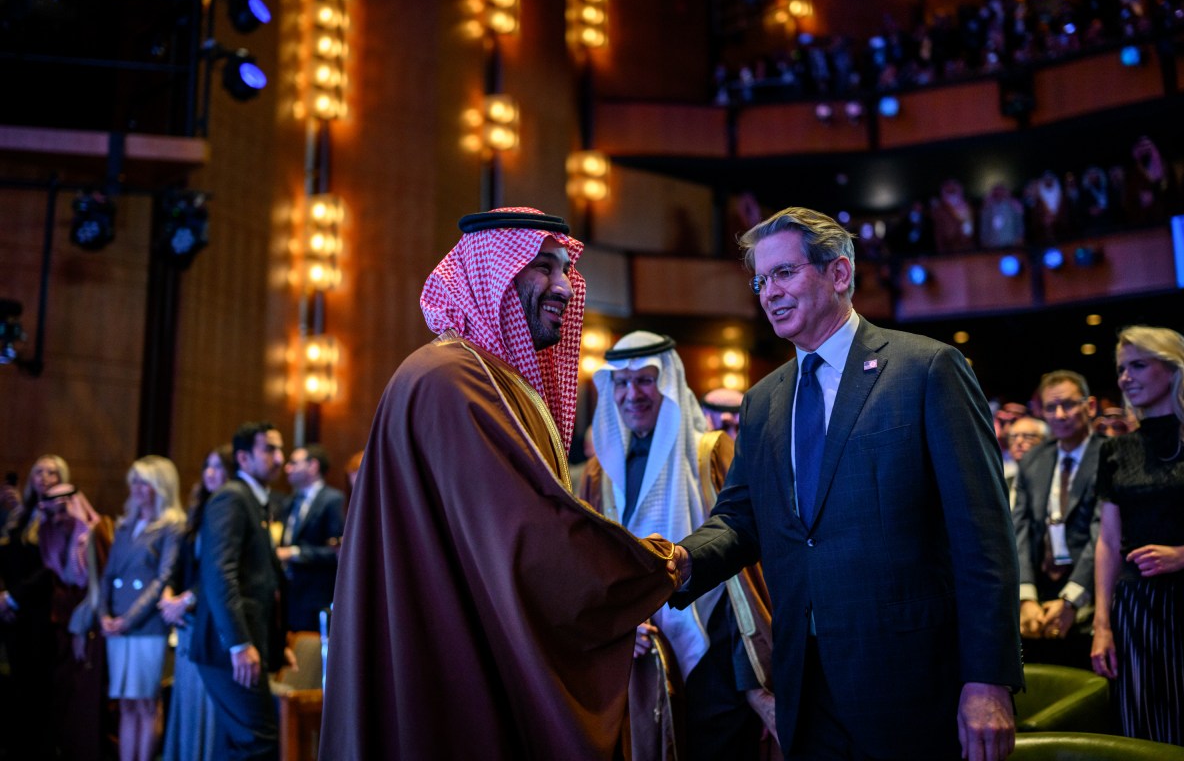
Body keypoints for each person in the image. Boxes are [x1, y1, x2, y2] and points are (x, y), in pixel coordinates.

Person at [320, 207, 681, 761]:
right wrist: (653, 568)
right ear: (493, 274)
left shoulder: (483, 377)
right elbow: (529, 539)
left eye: (566, 269)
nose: (564, 287)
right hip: (453, 650)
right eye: (543, 267)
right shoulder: (452, 380)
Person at [669, 207, 1023, 761]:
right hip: (805, 687)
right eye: (761, 280)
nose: (769, 292)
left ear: (838, 273)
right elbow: (739, 519)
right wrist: (680, 561)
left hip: (912, 684)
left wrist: (989, 678)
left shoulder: (927, 369)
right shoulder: (762, 401)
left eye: (784, 273)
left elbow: (983, 537)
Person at [581, 331, 774, 759]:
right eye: (622, 382)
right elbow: (591, 568)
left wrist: (753, 683)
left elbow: (744, 568)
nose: (633, 394)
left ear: (668, 383)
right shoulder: (598, 473)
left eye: (645, 380)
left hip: (718, 662)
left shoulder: (711, 453)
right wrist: (620, 626)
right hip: (640, 661)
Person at [1091, 326, 1184, 749]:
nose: (1125, 378)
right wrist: (1102, 625)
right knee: (1143, 728)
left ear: (1173, 370)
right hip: (1137, 608)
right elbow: (1108, 541)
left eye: (1137, 365)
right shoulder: (1115, 449)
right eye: (1121, 369)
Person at [0, 455, 114, 761]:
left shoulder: (83, 527)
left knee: (63, 693)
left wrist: (13, 597)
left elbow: (76, 577)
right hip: (34, 617)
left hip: (66, 618)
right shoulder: (29, 518)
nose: (45, 477)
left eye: (52, 472)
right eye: (39, 471)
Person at [191, 422, 288, 761]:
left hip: (240, 643)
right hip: (228, 647)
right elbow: (220, 573)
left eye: (280, 449)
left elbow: (261, 580)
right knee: (259, 740)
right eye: (270, 449)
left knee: (238, 742)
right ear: (244, 458)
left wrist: (276, 642)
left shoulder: (255, 500)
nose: (280, 458)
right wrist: (239, 643)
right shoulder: (232, 497)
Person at [1012, 371, 1105, 669]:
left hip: (1091, 589)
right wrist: (1025, 595)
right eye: (1051, 407)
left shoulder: (1109, 454)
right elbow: (1020, 529)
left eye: (1069, 404)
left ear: (1090, 406)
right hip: (1040, 590)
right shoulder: (1034, 459)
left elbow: (1103, 532)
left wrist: (1072, 599)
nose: (1060, 415)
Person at [100, 455, 186, 761]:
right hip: (116, 625)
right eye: (134, 481)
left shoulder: (172, 526)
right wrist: (104, 615)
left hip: (146, 625)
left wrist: (129, 619)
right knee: (125, 703)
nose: (136, 488)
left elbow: (163, 578)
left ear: (161, 486)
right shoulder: (125, 525)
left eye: (144, 482)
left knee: (147, 703)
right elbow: (108, 574)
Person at [158, 445, 233, 761]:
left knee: (207, 702)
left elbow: (221, 572)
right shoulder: (199, 509)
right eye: (207, 466)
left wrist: (187, 599)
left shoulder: (232, 511)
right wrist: (168, 595)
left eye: (218, 466)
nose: (210, 473)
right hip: (186, 619)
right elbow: (181, 563)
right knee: (186, 699)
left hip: (211, 620)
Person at [277, 443, 344, 632]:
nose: (287, 468)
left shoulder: (333, 499)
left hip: (316, 594)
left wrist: (294, 553)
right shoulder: (290, 501)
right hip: (289, 595)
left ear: (313, 466)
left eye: (294, 463)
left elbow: (336, 552)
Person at [1005, 415, 1048, 509]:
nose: (1019, 441)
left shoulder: (1050, 476)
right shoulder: (1005, 477)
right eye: (1013, 437)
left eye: (1028, 436)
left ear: (1044, 441)